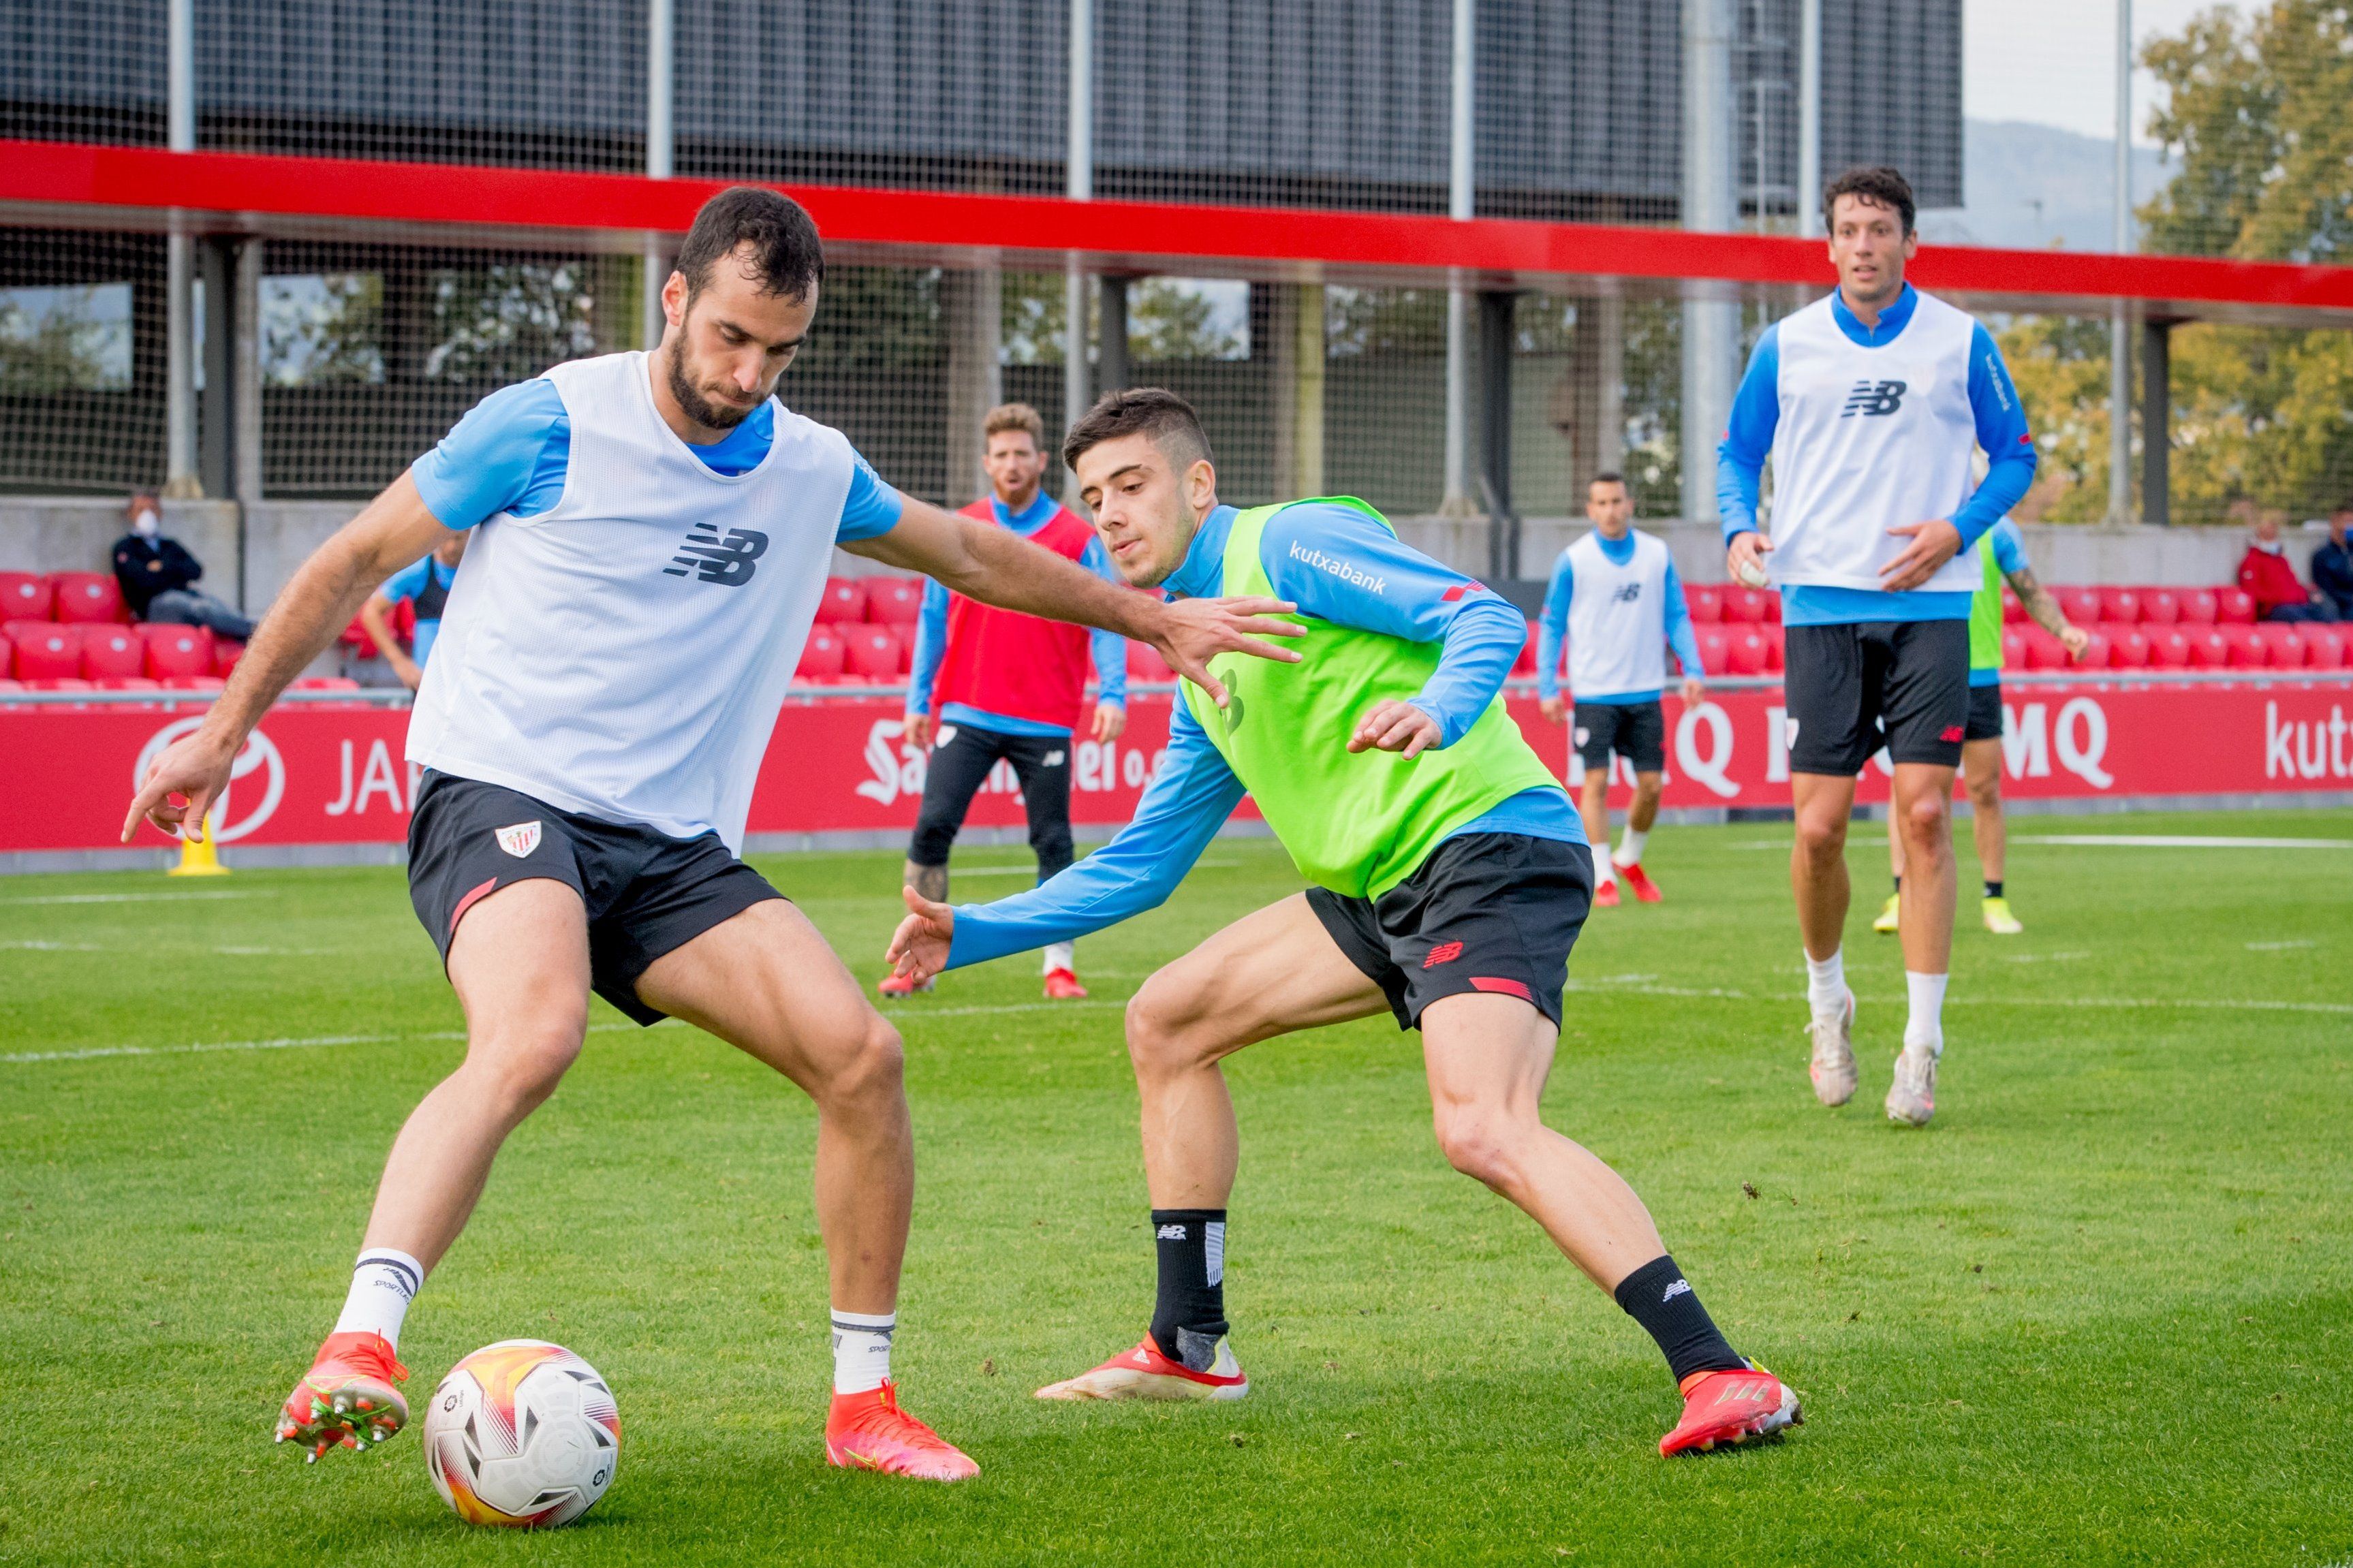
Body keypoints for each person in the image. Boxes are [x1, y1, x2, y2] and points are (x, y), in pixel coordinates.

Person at [123, 189, 1298, 1484]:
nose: (748, 374)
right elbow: (353, 556)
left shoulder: (806, 463)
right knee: (533, 1030)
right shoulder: (551, 419)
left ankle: (863, 1409)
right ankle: (360, 1343)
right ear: (675, 300)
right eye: (731, 337)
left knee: (862, 1057)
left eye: (778, 351)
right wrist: (229, 730)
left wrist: (1152, 619)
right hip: (501, 790)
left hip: (669, 843)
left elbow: (966, 550)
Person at [886, 389, 1803, 1458]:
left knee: (1481, 1125)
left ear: (1197, 484)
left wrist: (1442, 709)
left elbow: (1481, 615)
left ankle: (1723, 1370)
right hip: (1374, 890)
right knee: (1166, 1018)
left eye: (1131, 486)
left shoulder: (1290, 543)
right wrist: (974, 928)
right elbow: (1139, 868)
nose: (1111, 517)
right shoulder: (1201, 661)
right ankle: (1188, 1342)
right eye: (1093, 502)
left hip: (1485, 847)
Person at [1717, 166, 2037, 1127]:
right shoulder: (1786, 344)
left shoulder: (1959, 340)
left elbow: (2015, 452)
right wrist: (1738, 526)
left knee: (1926, 815)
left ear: (1908, 242)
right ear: (1828, 245)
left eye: (1880, 227)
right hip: (1816, 603)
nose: (1864, 243)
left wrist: (1958, 527)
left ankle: (1921, 1047)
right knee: (1815, 831)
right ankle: (1828, 1005)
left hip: (1930, 604)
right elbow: (1738, 452)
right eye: (1848, 228)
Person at [886, 402, 1127, 1001]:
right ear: (986, 462)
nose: (1012, 464)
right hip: (966, 710)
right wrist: (919, 701)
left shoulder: (1076, 537)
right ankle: (916, 961)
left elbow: (1107, 620)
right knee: (932, 828)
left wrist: (1114, 692)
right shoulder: (959, 528)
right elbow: (932, 620)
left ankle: (1058, 967)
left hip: (1045, 716)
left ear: (1042, 461)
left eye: (1023, 453)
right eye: (1002, 454)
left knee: (1053, 841)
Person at [1875, 516, 2085, 938]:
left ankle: (1995, 898)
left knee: (1985, 790)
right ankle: (1902, 894)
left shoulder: (1998, 529)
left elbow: (2029, 589)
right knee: (1912, 789)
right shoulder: (1910, 521)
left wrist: (2063, 630)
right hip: (1921, 675)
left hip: (1980, 676)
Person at [1536, 471, 1706, 907]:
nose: (1610, 510)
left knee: (1651, 786)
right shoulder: (1574, 560)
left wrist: (1694, 669)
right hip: (1593, 692)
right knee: (1596, 782)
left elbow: (1677, 614)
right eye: (1601, 503)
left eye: (1617, 501)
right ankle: (1603, 874)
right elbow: (1552, 624)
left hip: (1646, 690)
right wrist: (1548, 685)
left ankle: (1630, 857)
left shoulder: (1656, 554)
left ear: (1629, 504)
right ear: (1590, 510)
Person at [111, 492, 257, 640]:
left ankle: (251, 640)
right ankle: (256, 633)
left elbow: (196, 570)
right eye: (141, 510)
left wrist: (162, 567)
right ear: (131, 514)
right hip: (154, 606)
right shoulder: (126, 547)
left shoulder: (169, 545)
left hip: (184, 596)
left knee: (218, 606)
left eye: (153, 509)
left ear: (160, 513)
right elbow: (142, 580)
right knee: (201, 608)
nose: (148, 515)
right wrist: (175, 573)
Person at [359, 531, 467, 690]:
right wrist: (398, 661)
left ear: (471, 534)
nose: (451, 548)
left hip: (468, 679)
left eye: (458, 539)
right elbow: (371, 612)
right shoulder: (420, 570)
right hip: (428, 682)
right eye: (445, 538)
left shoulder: (484, 569)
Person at [2238, 508, 2339, 623]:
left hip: (2297, 604)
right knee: (2303, 621)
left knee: (2326, 613)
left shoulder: (2281, 560)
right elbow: (2252, 592)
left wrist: (2305, 594)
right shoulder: (2251, 561)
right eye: (2267, 535)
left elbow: (2293, 584)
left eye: (2273, 535)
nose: (2271, 539)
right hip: (2276, 609)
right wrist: (2281, 598)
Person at [2312, 505, 2353, 620]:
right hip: (2337, 604)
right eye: (2347, 521)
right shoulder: (2322, 555)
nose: (2350, 526)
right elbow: (2325, 587)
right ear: (2334, 522)